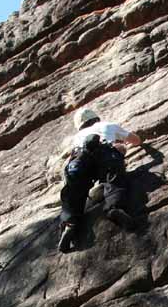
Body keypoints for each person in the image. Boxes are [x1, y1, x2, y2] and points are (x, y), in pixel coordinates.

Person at [57, 107, 143, 252]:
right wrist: (124, 146)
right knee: (114, 180)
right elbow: (136, 140)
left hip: (79, 160)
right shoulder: (107, 125)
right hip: (104, 155)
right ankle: (114, 208)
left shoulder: (77, 137)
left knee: (73, 193)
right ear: (95, 118)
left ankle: (69, 224)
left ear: (80, 125)